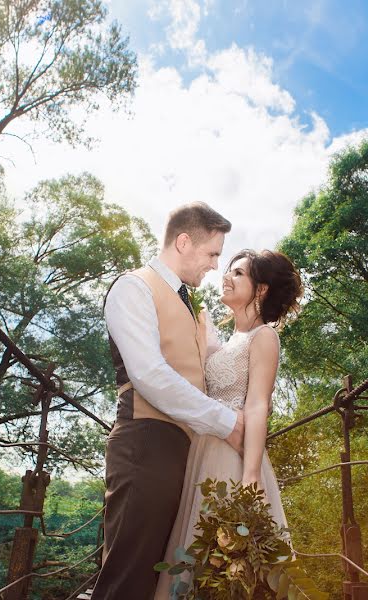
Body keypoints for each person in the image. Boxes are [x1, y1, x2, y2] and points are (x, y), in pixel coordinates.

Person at [93, 202, 246, 600]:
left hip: (187, 452)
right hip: (145, 444)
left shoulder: (195, 308)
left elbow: (219, 364)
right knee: (130, 577)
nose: (215, 265)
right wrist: (227, 424)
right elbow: (150, 375)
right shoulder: (134, 287)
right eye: (212, 253)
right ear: (183, 242)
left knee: (164, 579)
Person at [153, 249, 303, 600]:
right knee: (199, 551)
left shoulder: (264, 337)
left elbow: (257, 404)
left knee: (232, 561)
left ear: (261, 290)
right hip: (203, 453)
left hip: (232, 460)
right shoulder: (228, 339)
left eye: (238, 273)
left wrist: (251, 477)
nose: (226, 277)